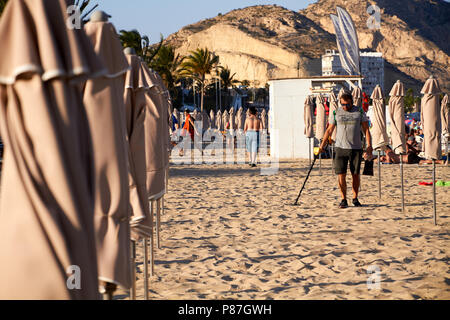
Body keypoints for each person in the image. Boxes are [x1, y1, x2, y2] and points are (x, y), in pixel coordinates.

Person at [319, 92, 373, 208]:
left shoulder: (359, 111)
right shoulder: (336, 112)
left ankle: (355, 198)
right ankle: (343, 199)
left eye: (347, 105)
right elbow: (329, 130)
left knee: (355, 175)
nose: (345, 107)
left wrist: (369, 145)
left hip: (356, 148)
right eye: (343, 105)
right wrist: (322, 145)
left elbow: (366, 129)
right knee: (341, 175)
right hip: (340, 148)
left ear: (352, 102)